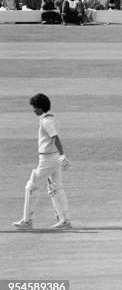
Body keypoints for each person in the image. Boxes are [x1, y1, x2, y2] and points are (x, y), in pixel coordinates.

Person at [13, 93, 71, 230]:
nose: (33, 110)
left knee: (31, 186)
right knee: (56, 188)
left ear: (40, 107)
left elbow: (55, 138)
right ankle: (65, 220)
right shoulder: (51, 118)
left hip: (48, 159)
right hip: (52, 157)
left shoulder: (47, 121)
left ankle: (27, 221)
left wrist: (62, 155)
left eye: (34, 107)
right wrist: (60, 156)